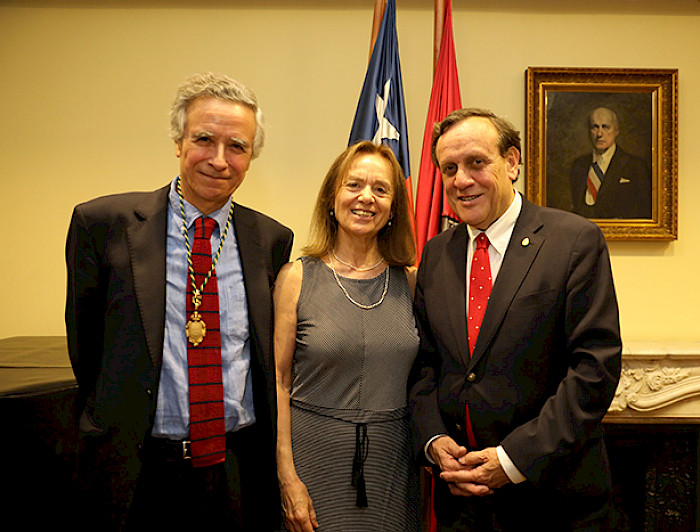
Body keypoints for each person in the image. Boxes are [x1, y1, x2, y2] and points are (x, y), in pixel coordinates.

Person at [65, 72, 293, 531]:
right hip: (139, 468)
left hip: (237, 469)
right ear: (177, 141)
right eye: (204, 139)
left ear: (251, 156)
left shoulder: (271, 239)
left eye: (237, 147)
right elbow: (85, 346)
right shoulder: (103, 224)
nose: (218, 160)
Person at [408, 108, 622, 531]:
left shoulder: (573, 240)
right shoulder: (435, 254)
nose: (461, 180)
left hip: (553, 500)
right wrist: (434, 442)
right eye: (449, 168)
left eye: (476, 162)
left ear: (511, 162)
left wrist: (511, 459)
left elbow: (594, 368)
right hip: (462, 501)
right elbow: (425, 365)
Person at [274, 141, 421, 532]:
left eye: (381, 189)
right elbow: (278, 381)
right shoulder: (295, 278)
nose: (366, 198)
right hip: (311, 458)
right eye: (353, 185)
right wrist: (286, 476)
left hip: (393, 464)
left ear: (393, 208)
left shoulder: (411, 282)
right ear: (331, 197)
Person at [570, 106, 652, 219]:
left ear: (616, 131)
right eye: (595, 127)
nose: (599, 134)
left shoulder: (636, 166)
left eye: (605, 127)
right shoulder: (579, 165)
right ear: (589, 131)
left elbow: (645, 212)